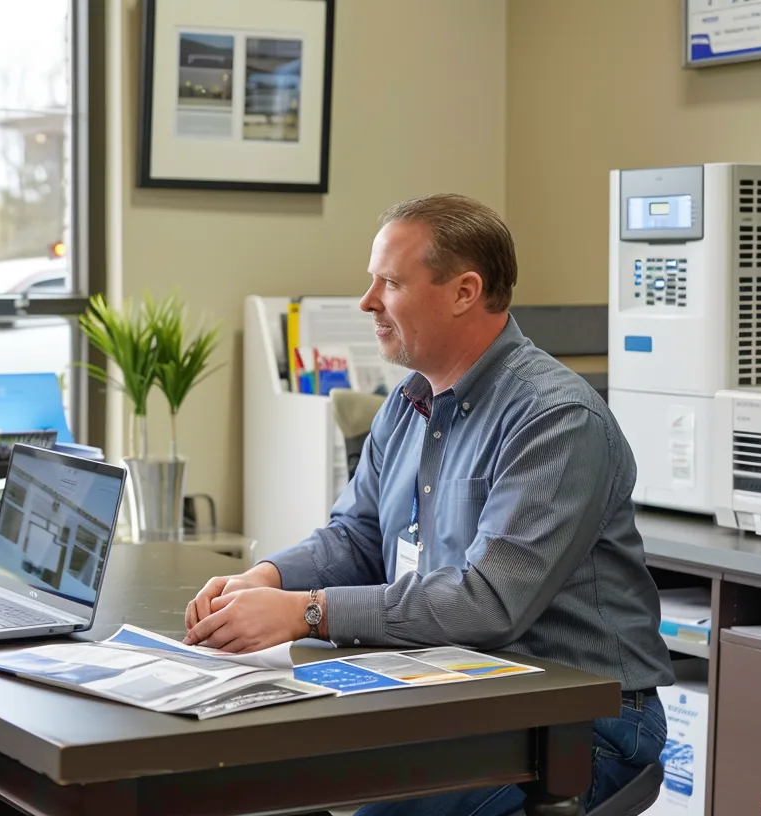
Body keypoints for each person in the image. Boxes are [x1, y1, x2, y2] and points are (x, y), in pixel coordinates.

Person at [183, 194, 674, 814]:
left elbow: (488, 601)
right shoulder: (406, 403)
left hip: (579, 719)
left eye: (389, 283)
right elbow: (357, 536)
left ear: (465, 291)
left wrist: (306, 612)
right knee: (261, 781)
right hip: (451, 686)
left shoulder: (555, 419)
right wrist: (266, 579)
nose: (367, 302)